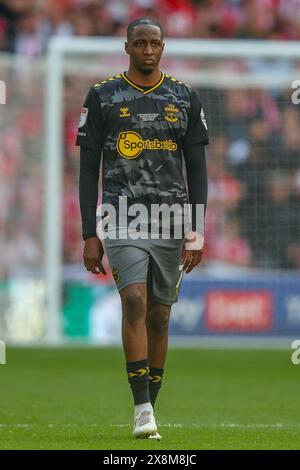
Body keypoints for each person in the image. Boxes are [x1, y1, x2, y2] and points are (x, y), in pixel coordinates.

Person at [76, 17, 209, 440]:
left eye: (155, 43)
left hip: (171, 219)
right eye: (140, 43)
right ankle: (140, 408)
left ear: (163, 46)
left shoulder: (184, 97)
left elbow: (198, 167)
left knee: (160, 314)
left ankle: (151, 403)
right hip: (122, 216)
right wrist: (88, 232)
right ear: (127, 46)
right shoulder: (102, 96)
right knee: (134, 299)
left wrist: (197, 227)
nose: (148, 50)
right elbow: (87, 168)